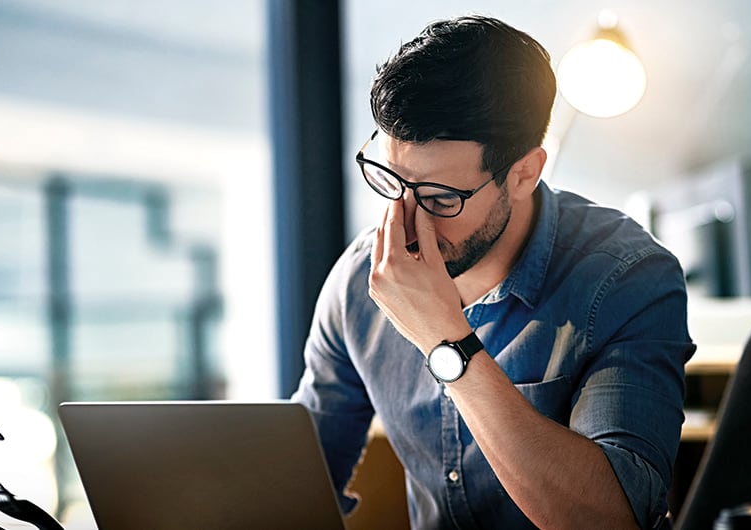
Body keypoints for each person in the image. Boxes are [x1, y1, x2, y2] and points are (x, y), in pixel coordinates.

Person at [292, 14, 695, 530]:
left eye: (441, 198)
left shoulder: (627, 278)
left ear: (524, 172)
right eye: (391, 181)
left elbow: (610, 520)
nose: (406, 224)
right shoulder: (359, 283)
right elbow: (303, 474)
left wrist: (446, 341)